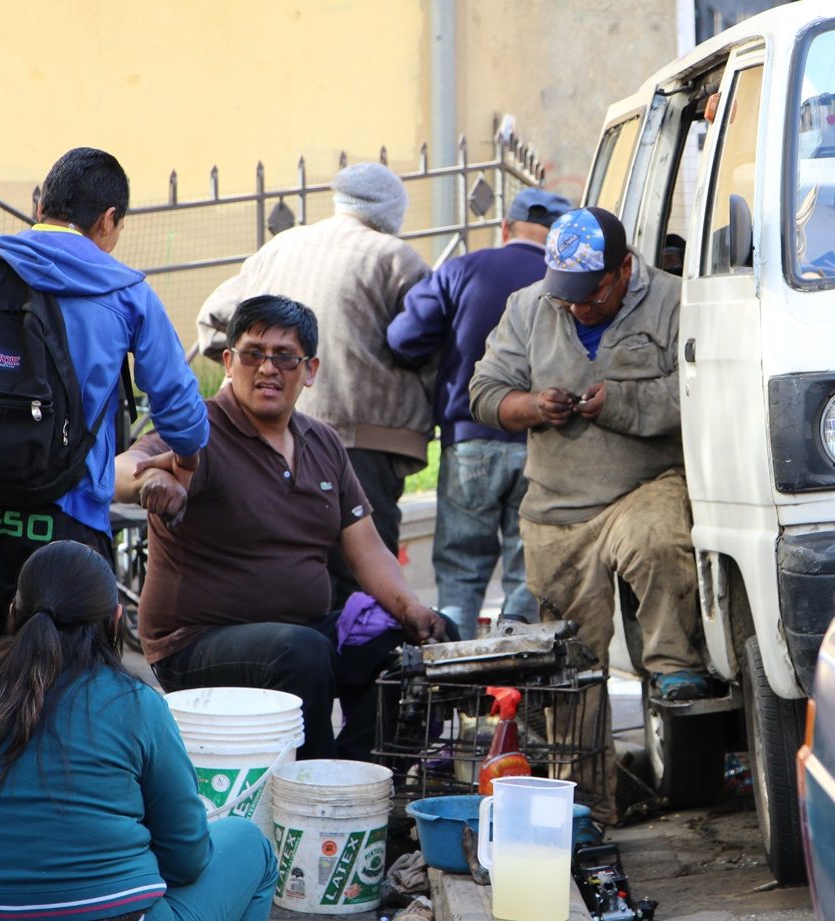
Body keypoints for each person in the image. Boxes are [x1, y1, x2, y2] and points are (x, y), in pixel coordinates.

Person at [0, 147, 207, 683]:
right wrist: (183, 465)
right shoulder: (127, 293)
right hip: (68, 526)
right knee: (67, 691)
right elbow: (182, 415)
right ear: (108, 220)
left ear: (41, 204)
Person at [117, 295, 451, 762]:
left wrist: (412, 610)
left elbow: (368, 550)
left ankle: (366, 778)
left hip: (303, 633)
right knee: (301, 653)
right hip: (194, 642)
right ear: (229, 362)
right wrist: (152, 479)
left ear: (309, 370)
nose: (267, 369)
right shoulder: (201, 430)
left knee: (424, 642)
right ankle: (314, 790)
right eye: (253, 354)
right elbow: (123, 467)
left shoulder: (323, 441)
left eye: (284, 357)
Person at [469, 206, 714, 822]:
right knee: (573, 672)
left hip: (646, 482)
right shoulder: (529, 306)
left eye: (592, 294)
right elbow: (483, 393)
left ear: (625, 268)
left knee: (659, 537)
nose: (578, 307)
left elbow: (701, 386)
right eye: (568, 296)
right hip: (557, 508)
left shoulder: (677, 301)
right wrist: (531, 406)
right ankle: (587, 811)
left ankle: (672, 666)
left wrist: (621, 404)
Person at [0, 540, 276, 921]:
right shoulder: (137, 704)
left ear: (13, 614)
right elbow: (186, 858)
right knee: (249, 843)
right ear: (115, 620)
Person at [196, 162, 434, 607]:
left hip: (275, 437)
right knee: (367, 585)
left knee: (299, 572)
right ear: (392, 211)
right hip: (362, 441)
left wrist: (255, 379)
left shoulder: (280, 246)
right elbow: (432, 350)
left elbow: (212, 323)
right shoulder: (395, 258)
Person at [387, 188, 571, 639]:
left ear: (505, 228)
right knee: (528, 569)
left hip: (470, 440)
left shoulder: (462, 269)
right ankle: (519, 681)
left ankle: (456, 670)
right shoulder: (566, 281)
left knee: (461, 568)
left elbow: (403, 338)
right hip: (543, 443)